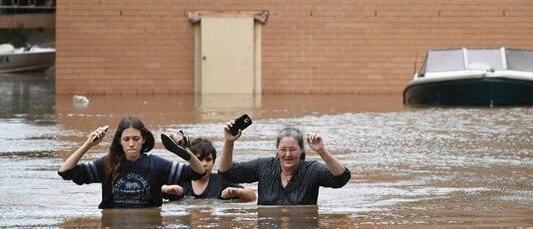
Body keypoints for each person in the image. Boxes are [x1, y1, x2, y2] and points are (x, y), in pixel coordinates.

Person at [58, 115, 207, 208]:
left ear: (143, 141)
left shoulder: (156, 165)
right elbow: (65, 172)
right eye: (126, 139)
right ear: (120, 141)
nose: (131, 144)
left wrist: (186, 151)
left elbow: (198, 173)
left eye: (136, 139)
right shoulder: (107, 164)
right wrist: (88, 144)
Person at [218, 124, 351, 205]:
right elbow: (227, 173)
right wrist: (229, 141)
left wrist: (322, 151)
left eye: (293, 150)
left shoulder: (312, 170)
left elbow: (341, 178)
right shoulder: (263, 166)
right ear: (277, 149)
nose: (287, 155)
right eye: (283, 150)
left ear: (301, 150)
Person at [161, 136, 256, 202]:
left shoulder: (220, 181)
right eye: (199, 159)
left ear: (214, 162)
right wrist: (165, 189)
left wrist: (238, 192)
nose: (204, 164)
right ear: (191, 160)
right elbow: (151, 190)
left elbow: (252, 196)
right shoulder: (180, 180)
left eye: (208, 160)